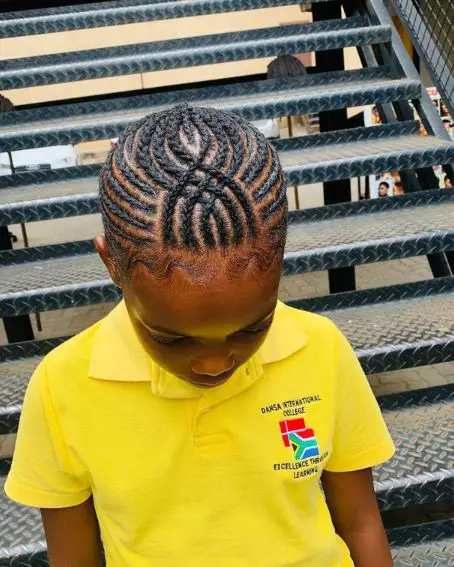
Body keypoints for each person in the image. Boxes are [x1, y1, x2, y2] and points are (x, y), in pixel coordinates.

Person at [5, 105, 395, 567]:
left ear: (282, 258)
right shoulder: (62, 387)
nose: (215, 364)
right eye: (171, 337)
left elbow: (360, 523)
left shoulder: (320, 349)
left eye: (252, 328)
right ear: (112, 264)